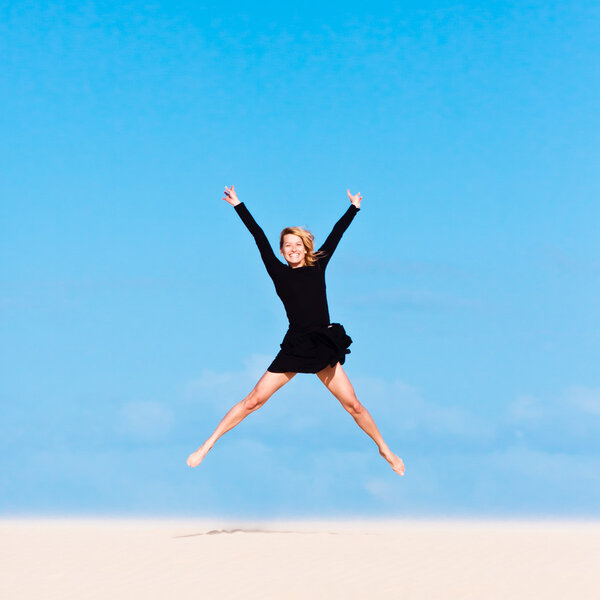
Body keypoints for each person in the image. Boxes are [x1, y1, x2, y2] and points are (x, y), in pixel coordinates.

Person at [187, 185, 405, 476]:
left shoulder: (318, 266)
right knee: (254, 400)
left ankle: (384, 449)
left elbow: (337, 234)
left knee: (353, 405)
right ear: (281, 251)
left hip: (322, 343)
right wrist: (238, 205)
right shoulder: (277, 271)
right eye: (287, 245)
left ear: (306, 248)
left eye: (297, 245)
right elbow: (258, 236)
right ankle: (207, 445)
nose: (292, 249)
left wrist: (354, 208)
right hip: (295, 345)